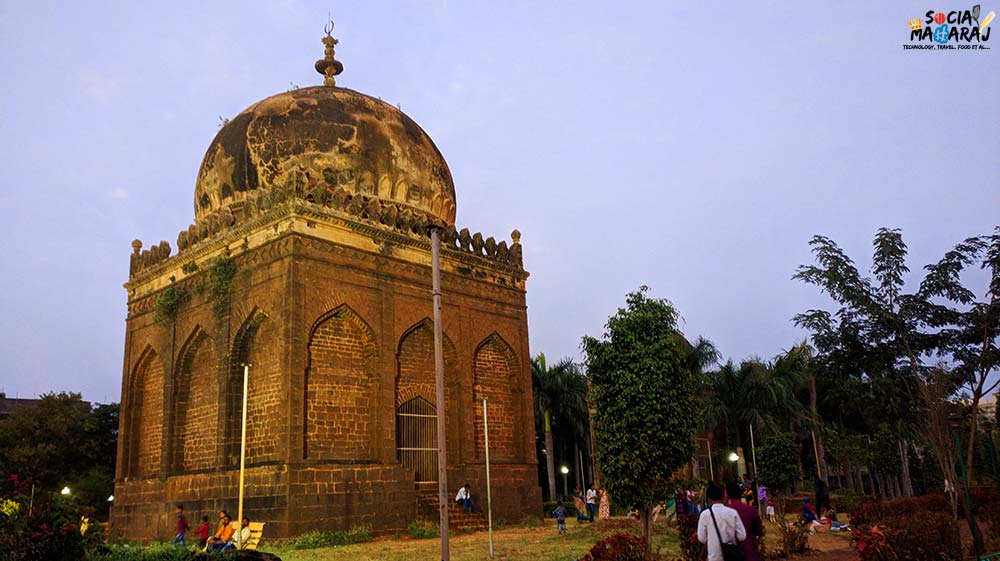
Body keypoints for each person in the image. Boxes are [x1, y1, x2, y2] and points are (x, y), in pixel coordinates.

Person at [697, 482, 747, 561]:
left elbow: (701, 538)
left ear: (709, 498)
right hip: (731, 555)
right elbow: (742, 536)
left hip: (714, 556)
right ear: (723, 496)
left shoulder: (705, 515)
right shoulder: (732, 513)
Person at [727, 481, 764, 561]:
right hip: (749, 550)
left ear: (726, 495)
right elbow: (759, 530)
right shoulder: (750, 510)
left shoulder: (724, 512)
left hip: (730, 551)